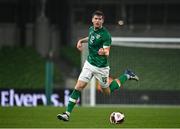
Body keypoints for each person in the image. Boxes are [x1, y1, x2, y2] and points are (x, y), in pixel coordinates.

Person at [57, 10, 139, 121]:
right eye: (95, 18)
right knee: (79, 86)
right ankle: (67, 114)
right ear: (92, 20)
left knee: (107, 92)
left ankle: (127, 75)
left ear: (102, 21)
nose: (97, 21)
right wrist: (81, 40)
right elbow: (90, 38)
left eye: (100, 19)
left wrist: (103, 52)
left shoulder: (106, 35)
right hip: (89, 64)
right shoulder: (91, 29)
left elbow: (107, 51)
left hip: (101, 68)